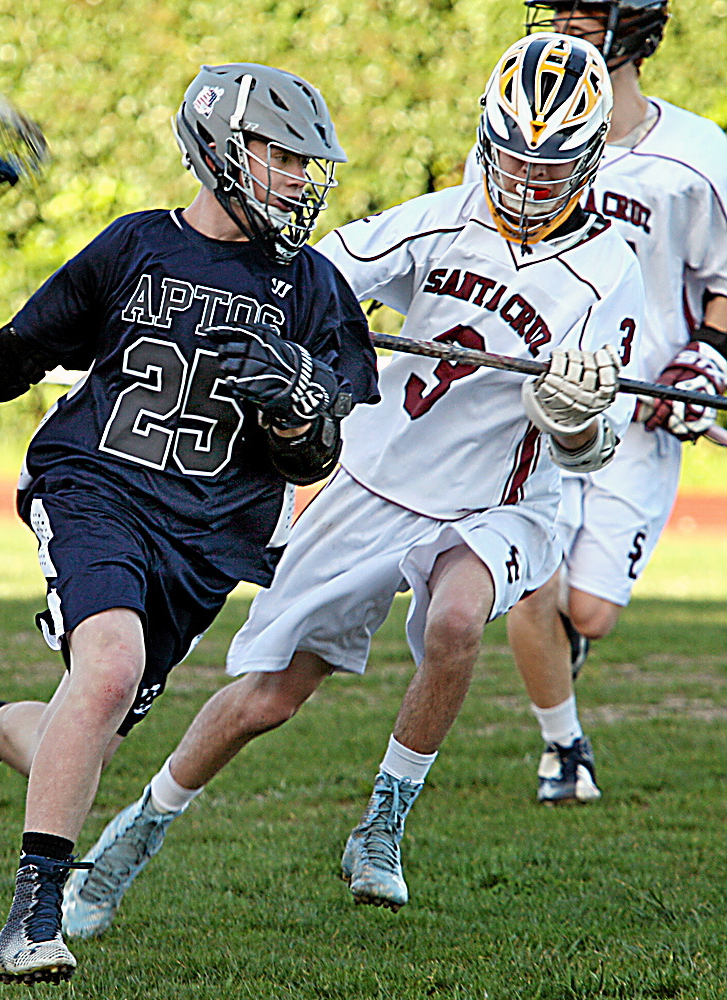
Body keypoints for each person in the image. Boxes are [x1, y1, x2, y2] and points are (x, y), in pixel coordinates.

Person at [61, 32, 647, 937]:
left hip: (500, 501)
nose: (527, 185)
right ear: (488, 141)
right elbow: (306, 280)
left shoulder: (612, 271)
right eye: (516, 160)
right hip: (372, 485)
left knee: (456, 618)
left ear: (589, 159)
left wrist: (576, 417)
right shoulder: (434, 221)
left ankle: (383, 822)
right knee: (267, 697)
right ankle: (142, 826)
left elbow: (591, 452)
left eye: (550, 167)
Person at [0, 65, 379, 983]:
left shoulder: (316, 291)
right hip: (98, 488)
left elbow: (317, 455)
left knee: (88, 724)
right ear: (223, 152)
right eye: (283, 156)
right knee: (107, 671)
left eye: (309, 162)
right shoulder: (137, 247)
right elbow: (13, 362)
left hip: (209, 540)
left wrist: (299, 413)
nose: (302, 178)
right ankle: (35, 918)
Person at [491, 0, 727, 805]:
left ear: (639, 26)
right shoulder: (509, 133)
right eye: (559, 8)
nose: (567, 21)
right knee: (532, 581)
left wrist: (706, 363)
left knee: (587, 612)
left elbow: (724, 285)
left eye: (587, 8)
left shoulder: (695, 156)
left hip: (638, 421)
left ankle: (568, 650)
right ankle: (565, 749)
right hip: (544, 405)